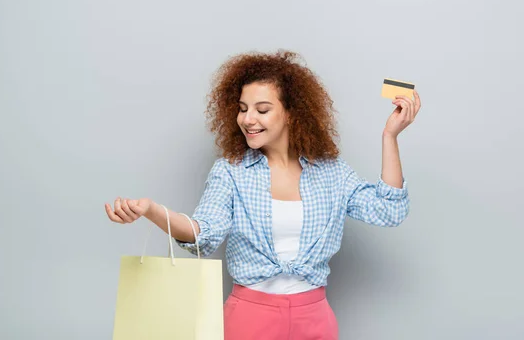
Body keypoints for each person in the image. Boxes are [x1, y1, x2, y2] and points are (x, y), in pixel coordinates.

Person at [105, 50, 421, 340]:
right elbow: (204, 236)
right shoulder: (230, 171)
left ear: (292, 114)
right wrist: (151, 210)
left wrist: (389, 136)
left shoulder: (330, 172)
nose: (248, 119)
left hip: (315, 320)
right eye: (242, 109)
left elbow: (388, 211)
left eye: (262, 109)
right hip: (248, 318)